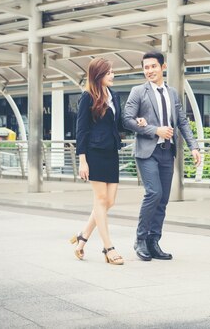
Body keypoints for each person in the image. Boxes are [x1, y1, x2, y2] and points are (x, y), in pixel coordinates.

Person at [123, 52, 202, 261]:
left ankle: (153, 241)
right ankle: (140, 240)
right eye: (146, 67)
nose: (149, 71)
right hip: (147, 152)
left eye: (153, 66)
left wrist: (194, 147)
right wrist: (154, 130)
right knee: (154, 193)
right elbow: (127, 120)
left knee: (163, 199)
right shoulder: (138, 91)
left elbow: (182, 122)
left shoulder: (173, 93)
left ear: (163, 67)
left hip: (167, 152)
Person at [70, 57, 128, 265]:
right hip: (94, 153)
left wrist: (136, 122)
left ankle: (82, 237)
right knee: (101, 199)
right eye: (109, 72)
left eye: (112, 71)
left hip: (111, 151)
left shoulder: (114, 95)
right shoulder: (87, 97)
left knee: (109, 201)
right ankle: (108, 248)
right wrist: (82, 161)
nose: (112, 75)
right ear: (98, 75)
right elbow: (82, 130)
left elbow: (118, 124)